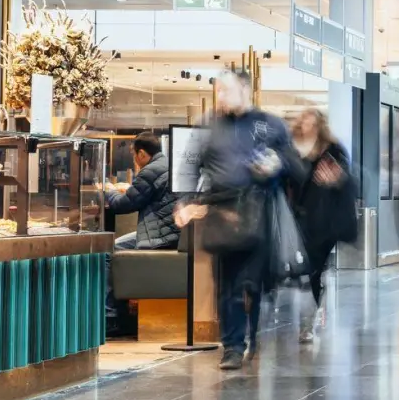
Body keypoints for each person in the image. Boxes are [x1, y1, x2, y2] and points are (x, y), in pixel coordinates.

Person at [178, 70, 303, 370]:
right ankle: (232, 346)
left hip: (261, 212)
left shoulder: (271, 125)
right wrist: (184, 202)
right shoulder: (208, 126)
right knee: (228, 282)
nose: (220, 96)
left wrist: (277, 164)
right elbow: (188, 166)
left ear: (245, 90)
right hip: (222, 212)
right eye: (218, 90)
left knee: (253, 282)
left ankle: (253, 333)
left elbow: (297, 169)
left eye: (226, 90)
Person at [288, 108, 356, 343]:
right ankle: (306, 317)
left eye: (312, 123)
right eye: (303, 122)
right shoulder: (293, 150)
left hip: (323, 222)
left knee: (313, 271)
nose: (307, 127)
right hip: (297, 219)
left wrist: (337, 179)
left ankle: (307, 322)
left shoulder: (333, 150)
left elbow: (347, 181)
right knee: (303, 272)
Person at [103, 132, 178, 337]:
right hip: (171, 232)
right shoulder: (167, 164)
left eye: (134, 154)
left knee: (109, 251)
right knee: (116, 245)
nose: (134, 159)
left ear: (142, 153)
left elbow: (121, 205)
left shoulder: (151, 171)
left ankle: (111, 317)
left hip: (161, 235)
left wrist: (107, 190)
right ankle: (118, 311)